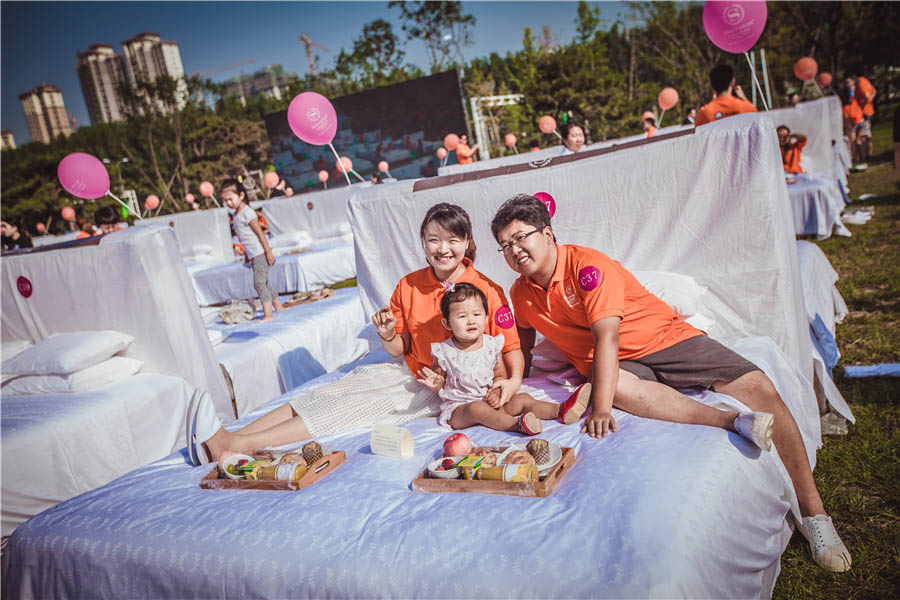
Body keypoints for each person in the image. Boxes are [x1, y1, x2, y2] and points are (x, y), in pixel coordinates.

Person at [489, 193, 851, 573]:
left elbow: (607, 337)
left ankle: (816, 516)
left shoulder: (587, 267)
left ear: (547, 234)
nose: (514, 250)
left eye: (520, 237)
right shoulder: (521, 294)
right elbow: (521, 351)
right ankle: (729, 420)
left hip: (665, 341)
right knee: (615, 385)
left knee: (759, 386)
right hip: (615, 366)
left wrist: (600, 409)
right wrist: (510, 384)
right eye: (505, 246)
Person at [195, 203, 526, 466]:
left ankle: (238, 445)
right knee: (331, 393)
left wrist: (509, 383)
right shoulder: (409, 285)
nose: (443, 249)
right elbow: (399, 348)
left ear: (467, 242)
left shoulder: (486, 290)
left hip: (442, 389)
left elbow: (510, 347)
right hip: (408, 371)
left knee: (348, 409)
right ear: (423, 243)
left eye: (453, 240)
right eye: (433, 240)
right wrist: (386, 335)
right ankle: (234, 434)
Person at [419, 282, 578, 434]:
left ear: (486, 317)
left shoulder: (491, 345)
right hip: (460, 410)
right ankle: (517, 425)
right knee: (477, 409)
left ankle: (561, 410)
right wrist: (437, 382)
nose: (471, 320)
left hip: (489, 403)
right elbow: (438, 376)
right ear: (447, 324)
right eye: (462, 316)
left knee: (523, 399)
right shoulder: (444, 351)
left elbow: (500, 376)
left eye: (476, 314)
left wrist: (495, 392)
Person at [221, 178, 283, 321]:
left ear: (241, 195)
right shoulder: (236, 215)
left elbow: (259, 234)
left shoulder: (247, 212)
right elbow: (245, 238)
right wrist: (247, 255)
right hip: (253, 254)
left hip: (260, 253)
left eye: (230, 199)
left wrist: (268, 252)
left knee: (259, 284)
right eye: (225, 201)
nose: (228, 203)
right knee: (265, 282)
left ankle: (268, 314)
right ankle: (277, 306)